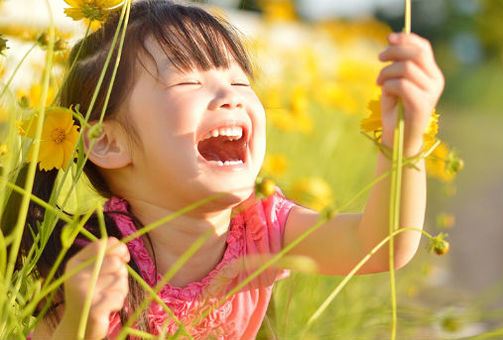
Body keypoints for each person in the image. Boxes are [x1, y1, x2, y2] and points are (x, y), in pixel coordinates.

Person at [19, 0, 444, 339]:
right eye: (187, 81)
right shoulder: (86, 262)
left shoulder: (260, 229)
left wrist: (405, 140)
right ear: (108, 143)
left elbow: (381, 245)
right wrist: (80, 324)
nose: (230, 95)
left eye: (240, 82)